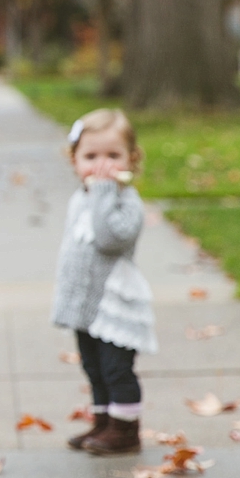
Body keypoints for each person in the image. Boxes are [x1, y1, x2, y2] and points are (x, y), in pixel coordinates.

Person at [53, 109, 157, 456]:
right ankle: (103, 422)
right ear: (74, 160)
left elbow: (109, 238)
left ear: (132, 159)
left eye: (113, 156)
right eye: (91, 157)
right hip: (88, 306)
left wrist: (104, 192)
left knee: (116, 369)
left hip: (115, 305)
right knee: (93, 367)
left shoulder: (127, 202)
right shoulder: (79, 199)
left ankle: (126, 431)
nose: (102, 166)